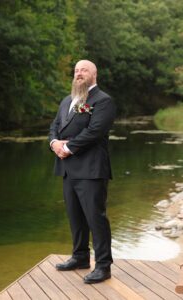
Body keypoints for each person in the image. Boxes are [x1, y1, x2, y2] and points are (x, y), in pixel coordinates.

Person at [49, 59, 116, 284]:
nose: (79, 73)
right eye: (76, 70)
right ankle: (80, 257)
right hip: (68, 169)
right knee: (75, 216)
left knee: (95, 218)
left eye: (84, 70)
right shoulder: (68, 100)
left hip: (91, 169)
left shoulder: (103, 100)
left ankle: (104, 266)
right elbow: (55, 126)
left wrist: (68, 147)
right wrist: (54, 144)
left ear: (94, 74)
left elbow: (95, 131)